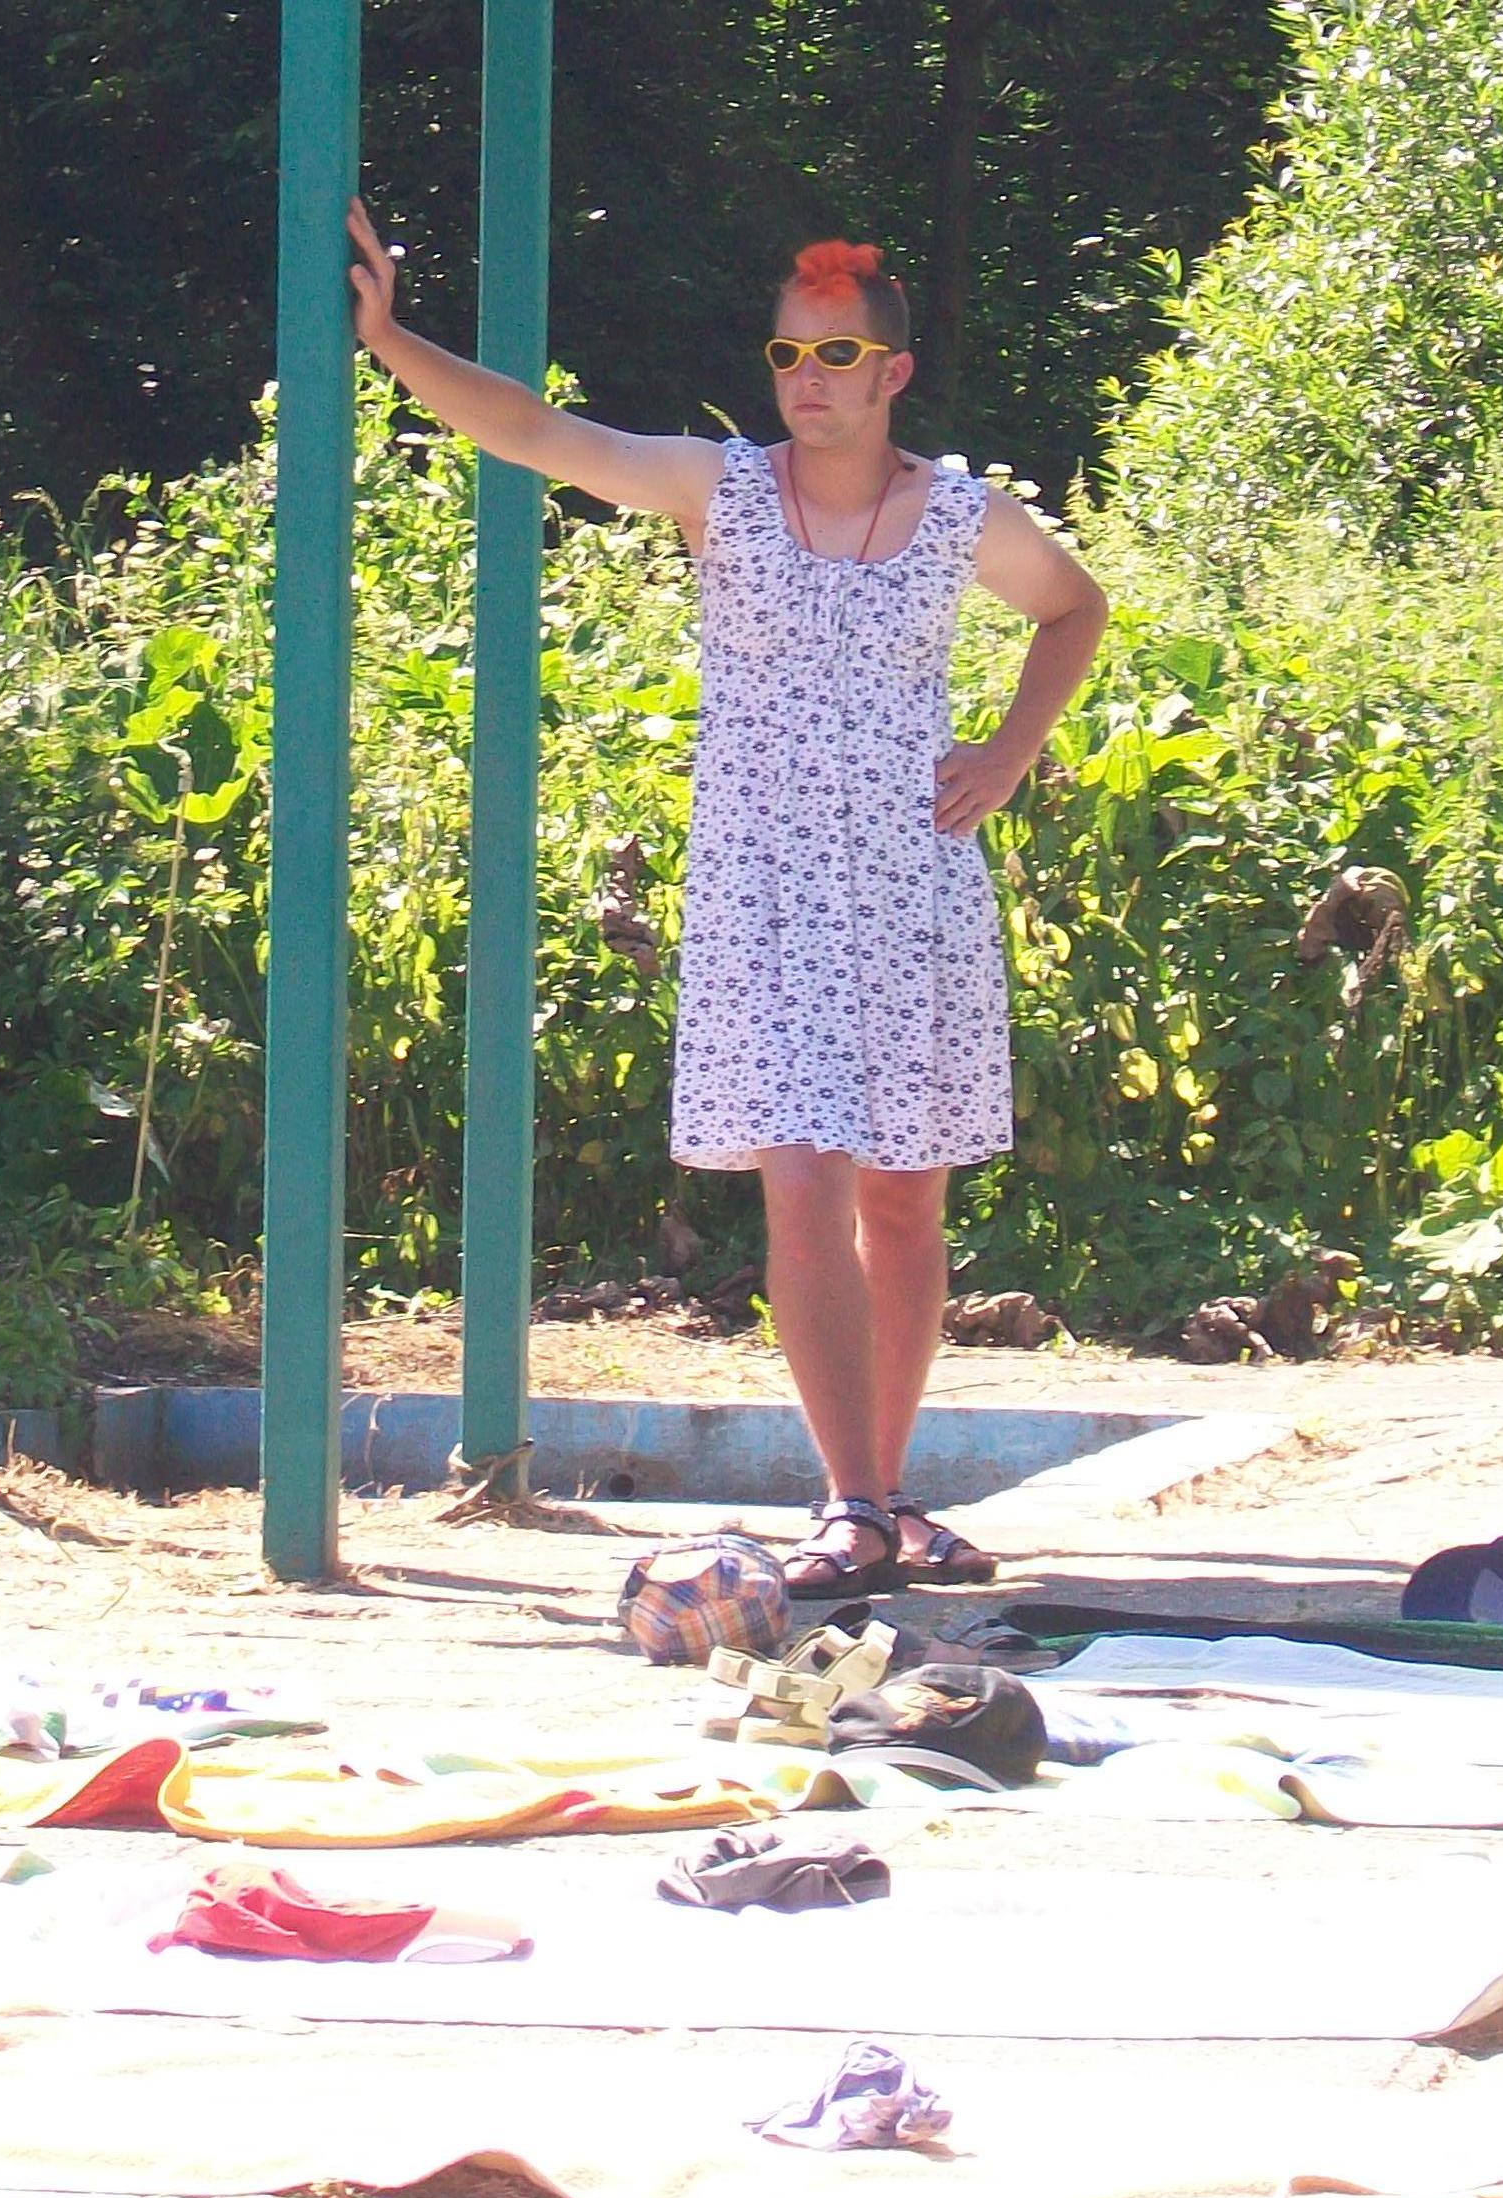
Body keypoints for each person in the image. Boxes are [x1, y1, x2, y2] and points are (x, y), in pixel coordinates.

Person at [347, 204, 1109, 1594]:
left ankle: (888, 1498)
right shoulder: (723, 491)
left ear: (891, 372)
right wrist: (392, 341)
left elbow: (1074, 608)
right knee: (803, 1182)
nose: (807, 377)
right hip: (767, 896)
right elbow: (539, 434)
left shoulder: (958, 515)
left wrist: (1009, 750)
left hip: (911, 890)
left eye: (836, 354)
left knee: (904, 1204)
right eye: (787, 353)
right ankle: (854, 1502)